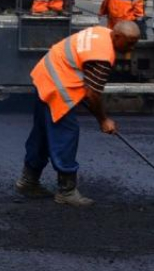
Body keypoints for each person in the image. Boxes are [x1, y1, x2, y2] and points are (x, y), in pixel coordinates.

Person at [15, 21, 141, 207]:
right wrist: (103, 120)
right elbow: (93, 94)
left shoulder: (101, 32)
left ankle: (28, 182)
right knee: (66, 134)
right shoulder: (103, 56)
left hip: (45, 74)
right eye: (129, 43)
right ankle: (66, 192)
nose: (131, 48)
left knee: (42, 134)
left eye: (135, 43)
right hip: (57, 86)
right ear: (116, 36)